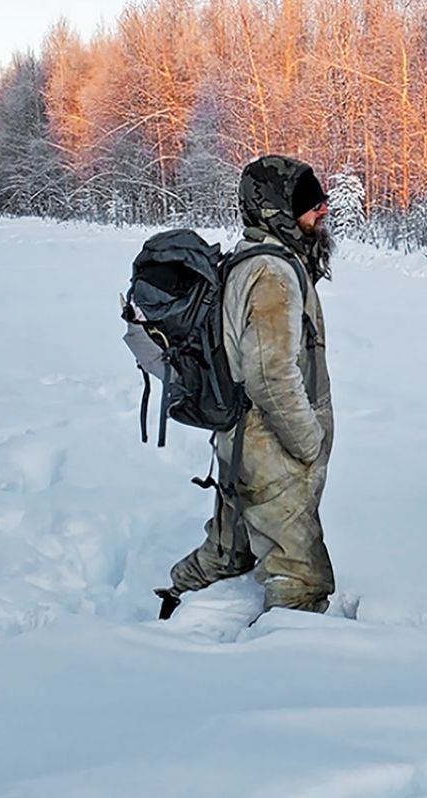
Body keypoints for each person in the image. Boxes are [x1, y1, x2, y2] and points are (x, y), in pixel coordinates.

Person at [158, 154, 337, 617]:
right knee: (301, 582)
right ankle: (279, 673)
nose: (323, 208)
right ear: (276, 210)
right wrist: (307, 442)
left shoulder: (258, 260)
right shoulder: (272, 274)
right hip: (271, 449)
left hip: (243, 442)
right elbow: (270, 374)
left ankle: (175, 602)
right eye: (309, 202)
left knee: (228, 550)